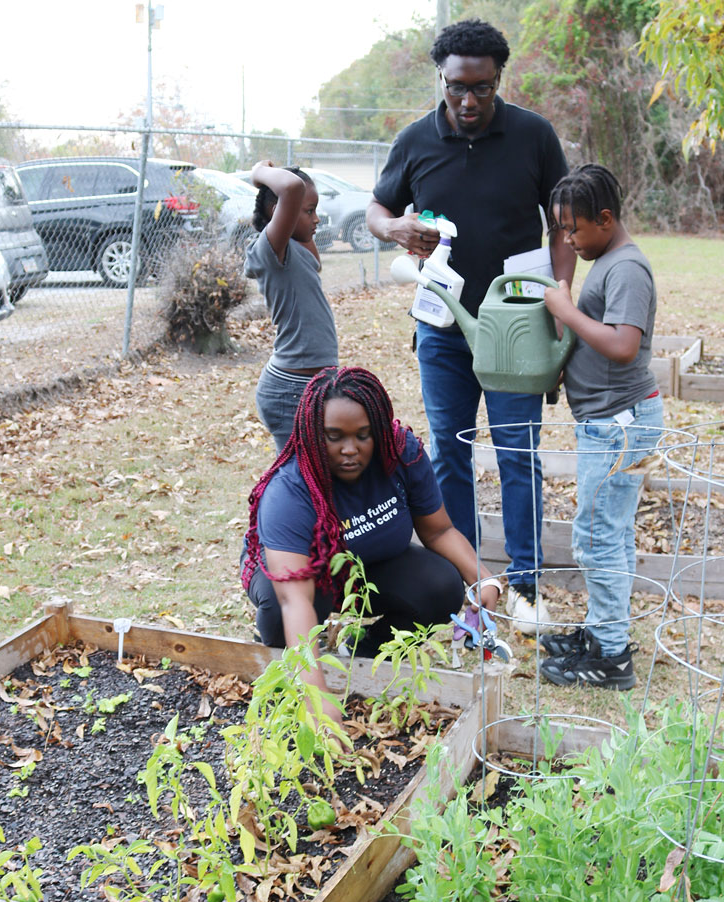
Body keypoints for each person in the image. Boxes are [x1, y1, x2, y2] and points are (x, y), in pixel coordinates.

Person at [365, 18, 576, 636]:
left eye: (481, 87)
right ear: (441, 77)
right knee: (449, 457)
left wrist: (559, 298)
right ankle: (465, 589)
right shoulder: (415, 140)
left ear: (498, 80)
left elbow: (561, 223)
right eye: (456, 86)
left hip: (516, 329)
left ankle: (528, 586)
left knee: (519, 454)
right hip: (443, 329)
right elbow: (378, 207)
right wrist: (394, 228)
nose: (467, 100)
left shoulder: (535, 137)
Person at [241, 366, 504, 722]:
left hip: (372, 564)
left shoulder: (401, 454)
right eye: (334, 437)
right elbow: (293, 598)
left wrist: (484, 578)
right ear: (313, 435)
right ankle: (294, 664)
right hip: (305, 577)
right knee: (278, 614)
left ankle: (364, 648)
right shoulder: (290, 489)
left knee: (441, 585)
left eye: (363, 435)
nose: (350, 449)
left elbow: (439, 531)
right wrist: (318, 699)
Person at [539, 164, 663, 689]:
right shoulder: (610, 259)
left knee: (596, 539)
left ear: (606, 219)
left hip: (618, 425)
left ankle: (611, 658)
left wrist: (565, 306)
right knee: (610, 535)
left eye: (575, 229)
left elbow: (622, 343)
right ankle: (603, 631)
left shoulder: (627, 269)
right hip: (612, 421)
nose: (568, 239)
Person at [245, 161, 338, 454]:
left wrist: (304, 219)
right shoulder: (271, 251)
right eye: (309, 211)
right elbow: (293, 188)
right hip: (290, 389)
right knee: (296, 482)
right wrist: (259, 172)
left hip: (313, 383)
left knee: (318, 476)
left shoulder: (297, 248)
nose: (317, 219)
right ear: (278, 211)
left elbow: (317, 262)